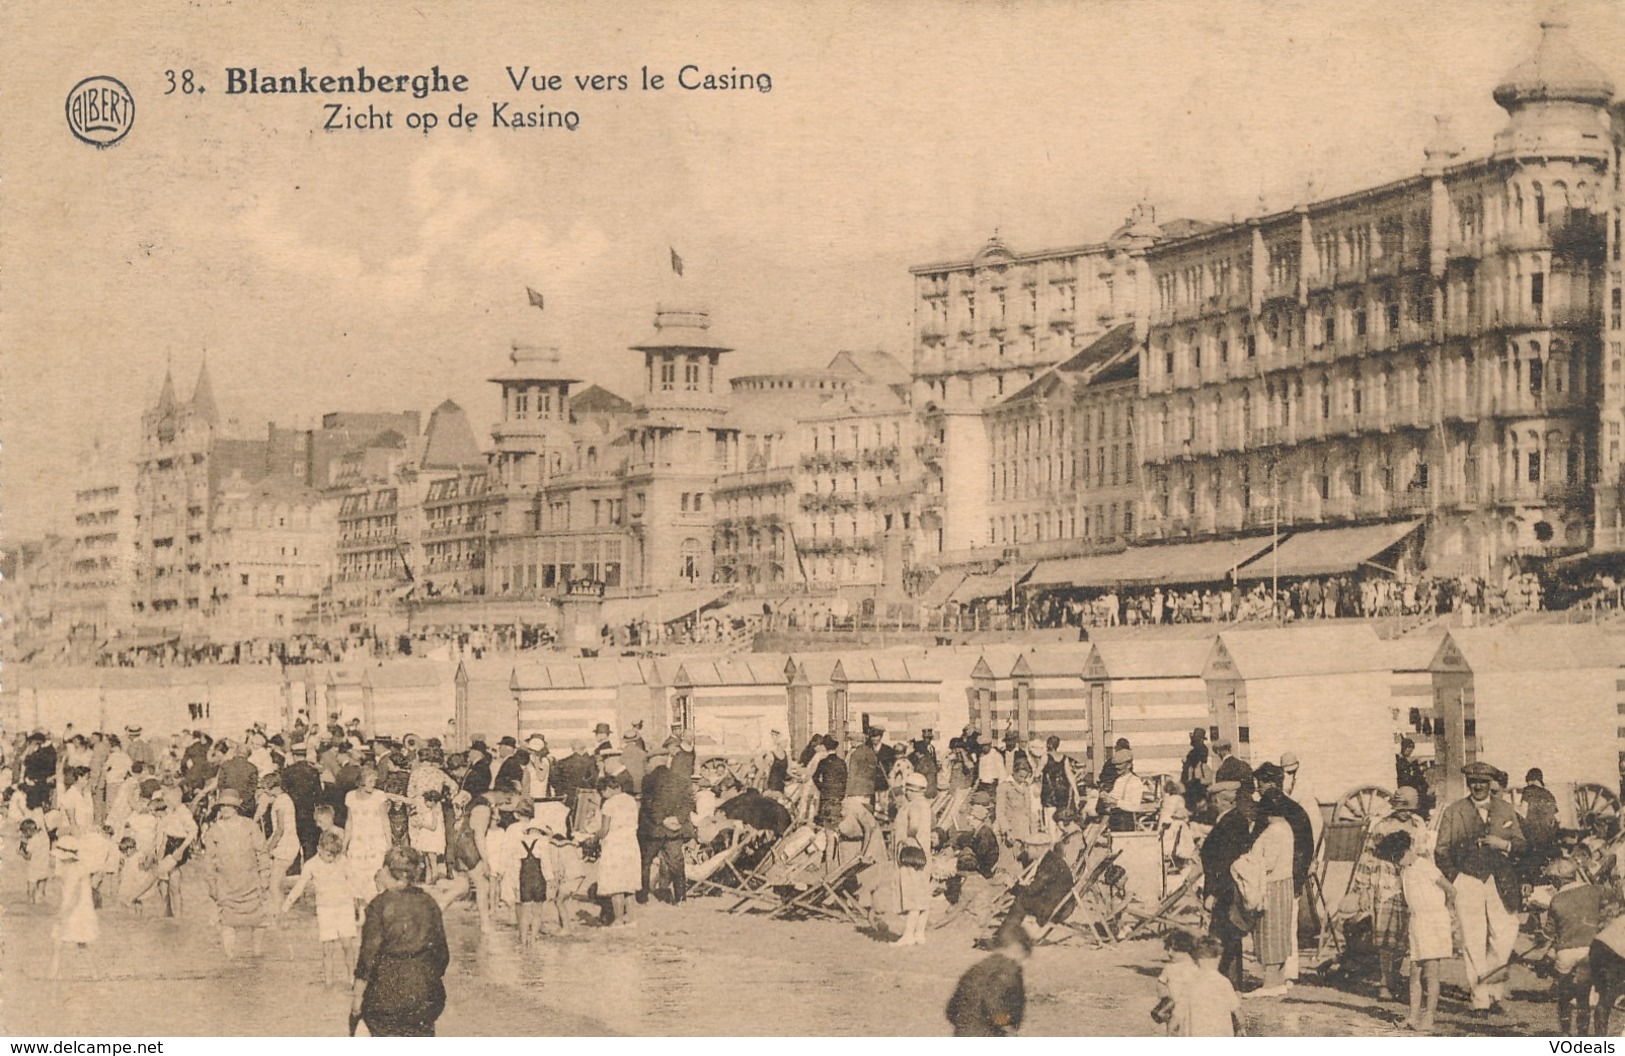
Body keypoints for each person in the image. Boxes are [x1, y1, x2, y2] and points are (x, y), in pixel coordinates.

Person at [1434, 760, 1525, 1012]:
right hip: (1469, 880)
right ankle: (1481, 999)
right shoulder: (1454, 811)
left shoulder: (1506, 810)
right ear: (1468, 784)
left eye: (1483, 783)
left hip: (1501, 881)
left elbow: (1522, 844)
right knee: (1472, 939)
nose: (1478, 787)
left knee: (1505, 936)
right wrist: (1456, 878)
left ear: (1490, 784)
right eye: (1473, 782)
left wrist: (1503, 844)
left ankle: (1494, 990)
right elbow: (1440, 851)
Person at [352, 846, 451, 1037]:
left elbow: (367, 958)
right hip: (426, 996)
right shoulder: (429, 902)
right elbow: (442, 956)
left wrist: (356, 999)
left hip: (386, 997)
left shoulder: (379, 905)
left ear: (388, 871)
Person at [1344, 786, 1428, 998]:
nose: (1405, 812)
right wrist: (1362, 890)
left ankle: (1395, 976)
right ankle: (1384, 980)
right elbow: (1367, 857)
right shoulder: (1382, 826)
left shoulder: (1419, 825)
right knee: (1385, 935)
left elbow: (1426, 856)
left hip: (1410, 882)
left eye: (1409, 808)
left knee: (1403, 934)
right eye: (1401, 808)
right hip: (1384, 883)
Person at [1372, 829, 1455, 1033]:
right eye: (1394, 859)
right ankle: (1413, 1016)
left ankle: (1429, 1019)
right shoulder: (1405, 871)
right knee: (1414, 972)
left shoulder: (1426, 866)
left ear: (1408, 849)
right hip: (1417, 922)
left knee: (1431, 974)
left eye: (1399, 856)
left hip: (1434, 922)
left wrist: (1448, 913)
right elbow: (1393, 892)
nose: (1397, 861)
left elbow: (1451, 890)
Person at [1236, 791, 1296, 996]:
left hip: (1271, 886)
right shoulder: (1286, 827)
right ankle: (1279, 979)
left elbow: (1267, 863)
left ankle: (1270, 983)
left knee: (1268, 931)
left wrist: (1245, 860)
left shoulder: (1273, 831)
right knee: (1280, 932)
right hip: (1284, 884)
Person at [282, 830, 359, 988]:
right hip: (325, 910)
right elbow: (299, 887)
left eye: (335, 855)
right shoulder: (311, 865)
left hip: (344, 907)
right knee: (327, 948)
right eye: (329, 855)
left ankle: (352, 978)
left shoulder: (342, 861)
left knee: (347, 945)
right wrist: (286, 905)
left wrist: (360, 904)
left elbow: (354, 883)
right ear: (319, 849)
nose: (332, 859)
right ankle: (328, 983)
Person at [1543, 857, 1609, 1036]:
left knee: (1564, 997)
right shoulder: (1594, 891)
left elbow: (1549, 933)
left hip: (1566, 952)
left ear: (1558, 879)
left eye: (1552, 879)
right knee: (1584, 997)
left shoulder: (1556, 900)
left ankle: (1565, 1031)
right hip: (1591, 950)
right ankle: (1583, 1034)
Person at [204, 789, 273, 958]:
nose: (226, 809)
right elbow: (209, 861)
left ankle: (257, 955)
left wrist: (264, 876)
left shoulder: (249, 825)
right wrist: (211, 884)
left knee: (259, 919)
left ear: (237, 807)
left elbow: (262, 852)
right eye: (223, 806)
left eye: (229, 806)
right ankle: (231, 959)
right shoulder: (213, 830)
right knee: (227, 920)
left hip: (251, 881)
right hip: (226, 884)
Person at [1199, 780, 1253, 990]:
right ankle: (1229, 980)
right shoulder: (1233, 820)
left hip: (1225, 889)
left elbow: (1224, 861)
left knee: (1224, 934)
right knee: (1228, 933)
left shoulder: (1230, 823)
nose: (1211, 804)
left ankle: (1226, 981)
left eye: (1213, 800)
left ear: (1221, 800)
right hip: (1227, 887)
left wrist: (1213, 893)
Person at [945, 919, 1031, 1036]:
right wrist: (1007, 1027)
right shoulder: (1008, 970)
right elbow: (994, 1006)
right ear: (1017, 949)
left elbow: (951, 1009)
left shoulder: (977, 968)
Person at [49, 834, 99, 980]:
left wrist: (63, 913)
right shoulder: (79, 867)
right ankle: (94, 974)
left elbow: (74, 895)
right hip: (82, 911)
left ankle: (54, 974)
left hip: (74, 911)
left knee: (59, 942)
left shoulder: (73, 870)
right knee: (81, 945)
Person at [594, 773, 640, 927]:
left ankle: (618, 920)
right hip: (631, 843)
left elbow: (605, 829)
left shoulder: (609, 804)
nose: (603, 796)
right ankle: (632, 919)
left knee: (616, 885)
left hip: (615, 845)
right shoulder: (631, 800)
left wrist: (594, 836)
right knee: (629, 884)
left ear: (608, 789)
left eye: (603, 793)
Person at [894, 771, 935, 945]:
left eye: (908, 789)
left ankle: (908, 935)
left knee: (912, 895)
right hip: (924, 854)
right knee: (922, 894)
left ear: (912, 790)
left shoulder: (914, 806)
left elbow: (914, 825)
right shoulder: (926, 805)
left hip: (912, 853)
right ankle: (920, 934)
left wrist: (907, 838)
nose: (906, 793)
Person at [1185, 935, 1244, 1036]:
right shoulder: (1223, 982)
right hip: (1220, 1032)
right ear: (1218, 958)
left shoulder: (1190, 981)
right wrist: (1241, 1027)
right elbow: (1236, 1009)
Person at [1520, 768, 1562, 875]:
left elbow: (1522, 812)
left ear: (1531, 780)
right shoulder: (1550, 795)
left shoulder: (1529, 790)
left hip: (1532, 841)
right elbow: (1557, 819)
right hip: (1549, 843)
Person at [20, 817, 51, 903]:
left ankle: (30, 904)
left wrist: (21, 853)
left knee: (30, 892)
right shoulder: (45, 837)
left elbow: (28, 857)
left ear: (29, 832)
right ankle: (40, 904)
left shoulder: (32, 841)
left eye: (24, 833)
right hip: (44, 867)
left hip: (34, 868)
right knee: (40, 892)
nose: (24, 835)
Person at [1396, 737, 1429, 809]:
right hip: (1405, 785)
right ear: (1403, 748)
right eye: (1408, 748)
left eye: (1411, 748)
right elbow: (1405, 776)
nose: (1410, 750)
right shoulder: (1400, 761)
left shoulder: (1409, 761)